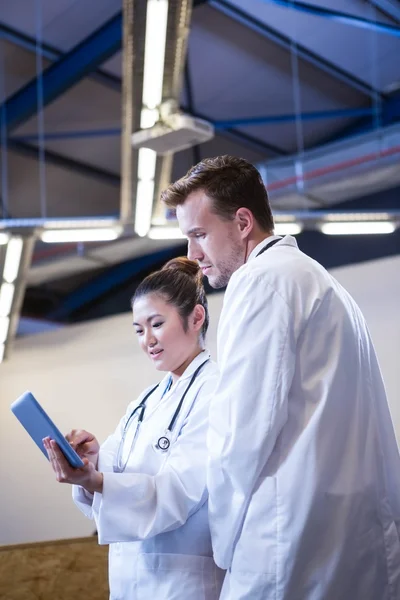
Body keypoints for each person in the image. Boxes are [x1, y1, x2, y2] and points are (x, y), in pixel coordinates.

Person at [161, 155, 400, 600]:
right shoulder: (322, 283)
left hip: (286, 547)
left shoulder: (261, 282)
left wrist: (225, 548)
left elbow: (242, 435)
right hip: (351, 544)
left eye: (198, 235)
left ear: (243, 222)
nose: (192, 256)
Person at [44, 257, 225, 600]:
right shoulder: (145, 401)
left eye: (157, 324)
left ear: (196, 317)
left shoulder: (217, 391)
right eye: (139, 330)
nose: (148, 340)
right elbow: (112, 478)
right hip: (130, 582)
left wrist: (96, 480)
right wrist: (92, 461)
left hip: (184, 585)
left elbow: (178, 493)